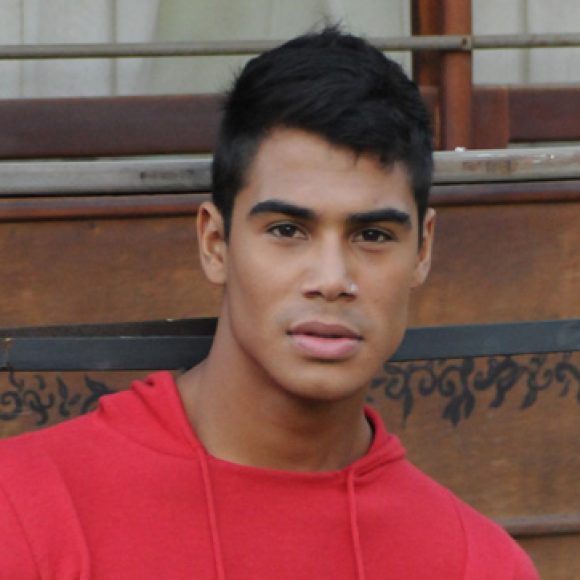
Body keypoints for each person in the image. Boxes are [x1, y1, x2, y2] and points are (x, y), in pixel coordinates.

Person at [0, 27, 538, 579]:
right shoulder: (25, 513)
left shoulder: (477, 564)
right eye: (287, 230)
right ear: (216, 244)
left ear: (422, 252)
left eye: (373, 235)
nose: (332, 280)